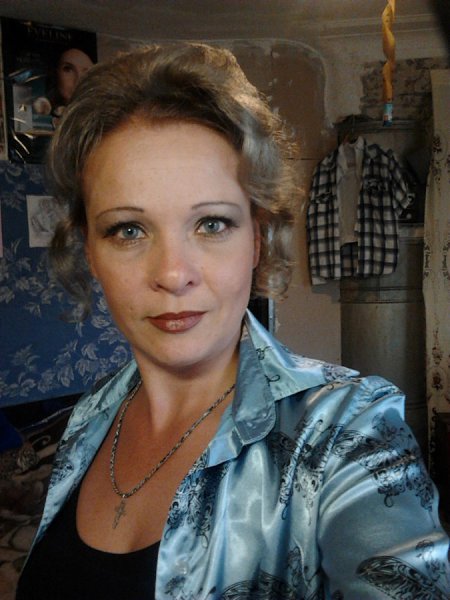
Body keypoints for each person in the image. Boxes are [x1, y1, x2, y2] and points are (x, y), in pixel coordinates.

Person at [16, 43, 449, 599]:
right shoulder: (91, 416)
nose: (173, 274)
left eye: (212, 224)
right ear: (89, 252)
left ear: (257, 240)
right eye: (129, 230)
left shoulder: (347, 436)